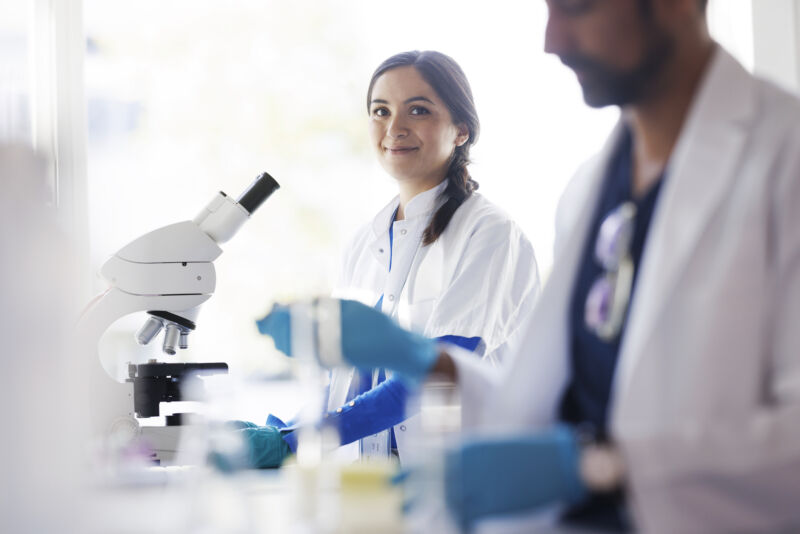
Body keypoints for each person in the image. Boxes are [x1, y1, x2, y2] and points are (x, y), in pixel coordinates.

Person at [259, 0, 800, 532]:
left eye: (578, 8)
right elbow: (547, 411)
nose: (552, 40)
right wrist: (424, 364)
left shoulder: (785, 158)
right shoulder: (589, 191)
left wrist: (594, 466)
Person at [236, 50, 540, 469]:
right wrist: (282, 431)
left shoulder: (489, 233)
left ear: (461, 131)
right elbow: (348, 384)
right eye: (381, 111)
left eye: (418, 110)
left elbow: (438, 372)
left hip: (475, 479)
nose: (394, 128)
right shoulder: (364, 244)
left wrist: (300, 442)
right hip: (382, 480)